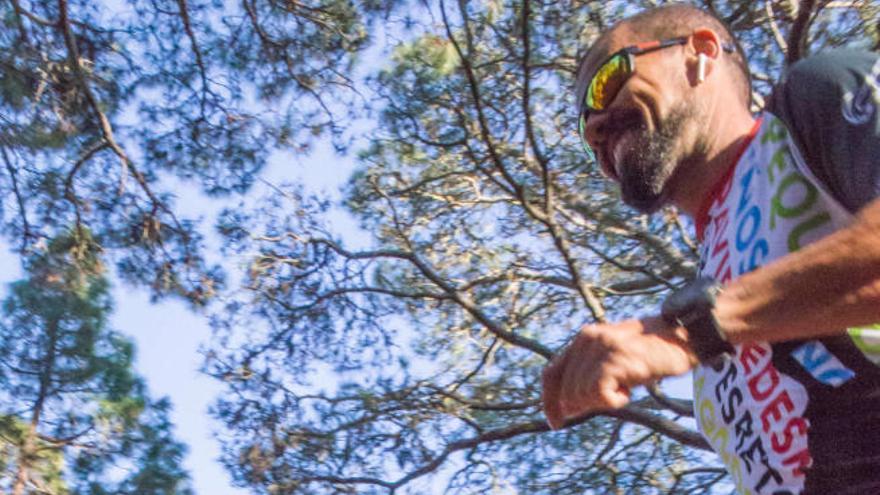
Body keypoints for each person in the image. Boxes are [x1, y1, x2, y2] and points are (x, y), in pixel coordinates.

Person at [541, 4, 880, 494]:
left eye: (607, 80)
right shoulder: (707, 285)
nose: (594, 128)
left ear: (700, 52)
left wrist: (697, 331)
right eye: (584, 129)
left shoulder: (812, 99)